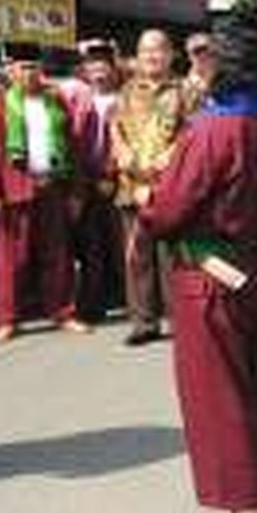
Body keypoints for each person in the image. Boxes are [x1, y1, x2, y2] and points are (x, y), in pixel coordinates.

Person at [139, 15, 257, 513]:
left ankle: (246, 509)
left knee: (215, 390)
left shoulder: (211, 129)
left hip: (205, 273)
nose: (199, 67)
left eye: (206, 58)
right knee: (244, 377)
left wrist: (147, 204)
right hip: (246, 265)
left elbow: (172, 209)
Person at [0, 43, 90, 343]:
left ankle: (63, 311)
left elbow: (73, 147)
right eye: (22, 67)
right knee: (12, 259)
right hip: (15, 192)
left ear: (41, 70)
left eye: (33, 67)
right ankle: (7, 319)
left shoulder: (56, 101)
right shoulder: (0, 104)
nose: (28, 73)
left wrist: (77, 191)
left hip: (52, 187)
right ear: (10, 71)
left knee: (57, 254)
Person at [112, 29, 185, 346]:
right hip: (132, 184)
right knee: (136, 256)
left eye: (158, 50)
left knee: (172, 256)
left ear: (170, 54)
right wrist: (122, 152)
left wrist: (170, 156)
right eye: (145, 51)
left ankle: (180, 320)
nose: (152, 57)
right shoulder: (127, 91)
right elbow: (115, 128)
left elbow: (194, 132)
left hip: (169, 186)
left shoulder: (185, 91)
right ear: (137, 58)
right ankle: (143, 321)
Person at [71, 39, 123, 324]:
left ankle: (125, 297)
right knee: (91, 246)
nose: (99, 70)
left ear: (113, 69)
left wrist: (110, 173)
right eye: (93, 65)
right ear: (86, 71)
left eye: (104, 65)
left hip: (116, 181)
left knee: (120, 243)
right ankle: (94, 303)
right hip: (85, 181)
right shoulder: (79, 100)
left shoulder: (123, 99)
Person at [182, 32, 216, 113]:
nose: (203, 55)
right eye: (197, 52)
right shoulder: (182, 88)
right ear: (189, 56)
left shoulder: (227, 83)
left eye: (207, 51)